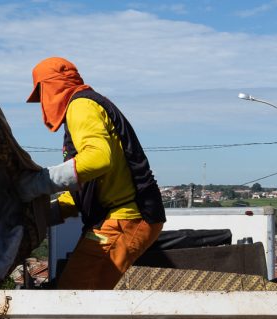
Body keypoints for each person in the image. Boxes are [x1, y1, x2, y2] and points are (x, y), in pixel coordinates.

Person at [18, 56, 166, 289]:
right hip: (119, 216)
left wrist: (37, 184)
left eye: (41, 95)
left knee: (74, 293)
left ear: (50, 86)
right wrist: (45, 214)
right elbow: (82, 185)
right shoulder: (85, 107)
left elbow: (97, 159)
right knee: (76, 292)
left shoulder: (81, 106)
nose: (42, 103)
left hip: (127, 216)